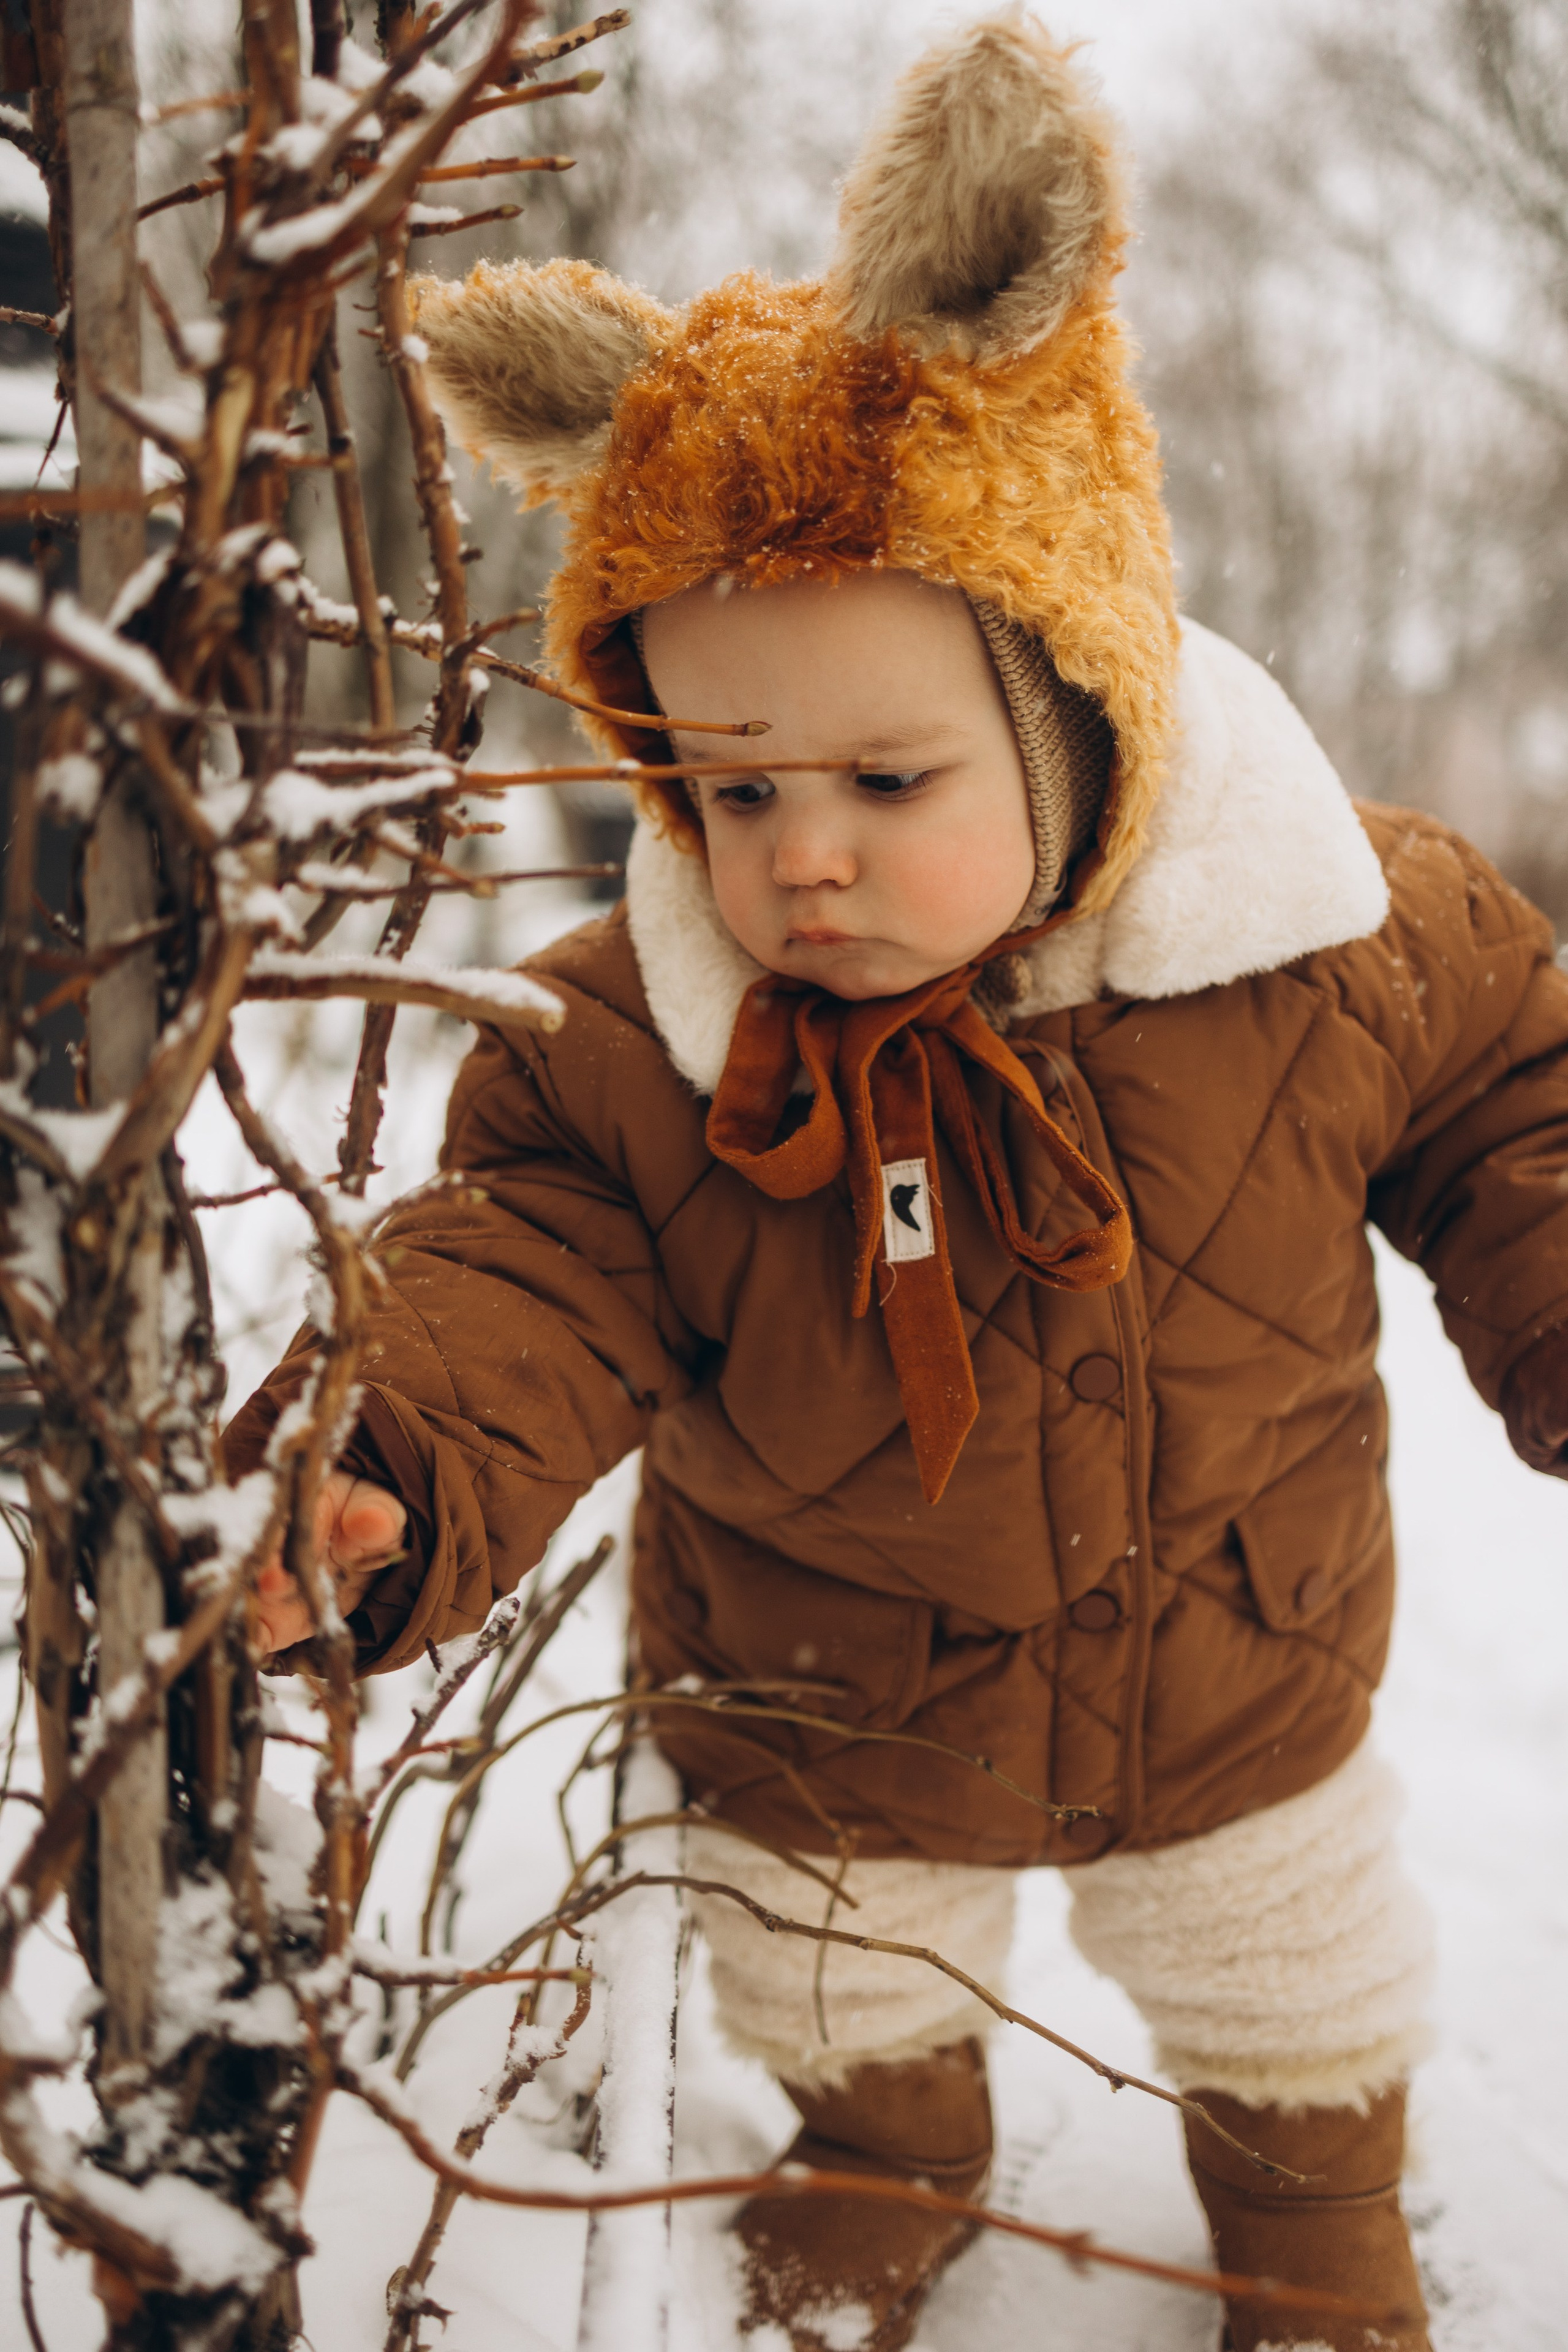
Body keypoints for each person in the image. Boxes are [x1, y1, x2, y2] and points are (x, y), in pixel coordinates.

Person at [228, 16, 1568, 2350]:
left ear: (1074, 699)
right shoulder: (635, 1050)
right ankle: (881, 2153)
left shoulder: (1337, 930)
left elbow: (1522, 1111)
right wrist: (389, 1462)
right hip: (824, 1681)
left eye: (881, 774)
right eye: (733, 798)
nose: (804, 858)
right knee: (835, 1962)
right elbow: (519, 1277)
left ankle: (1312, 2224)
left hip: (1229, 1645)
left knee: (1292, 1967)